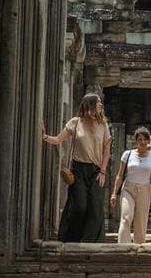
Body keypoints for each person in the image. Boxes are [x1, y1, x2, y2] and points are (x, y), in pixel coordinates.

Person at [43, 93, 112, 242]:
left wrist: (103, 171)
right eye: (98, 102)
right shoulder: (75, 123)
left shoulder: (103, 124)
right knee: (79, 206)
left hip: (96, 170)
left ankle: (90, 242)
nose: (101, 105)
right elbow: (58, 139)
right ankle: (70, 238)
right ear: (90, 105)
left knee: (95, 208)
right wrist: (45, 137)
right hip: (78, 170)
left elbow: (107, 148)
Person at [110, 126, 151, 244]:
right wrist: (114, 193)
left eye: (144, 139)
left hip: (145, 189)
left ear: (148, 141)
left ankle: (139, 248)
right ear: (136, 141)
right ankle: (123, 249)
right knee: (126, 217)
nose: (142, 142)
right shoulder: (127, 154)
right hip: (128, 189)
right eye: (139, 139)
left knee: (141, 222)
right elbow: (120, 175)